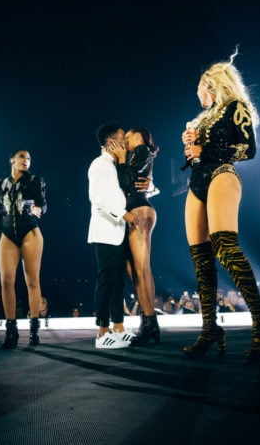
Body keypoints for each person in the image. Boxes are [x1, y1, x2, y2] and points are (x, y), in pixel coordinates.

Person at [180, 49, 260, 359]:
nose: (197, 96)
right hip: (197, 181)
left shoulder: (236, 107)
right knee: (201, 258)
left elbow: (248, 149)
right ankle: (210, 328)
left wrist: (204, 152)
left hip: (222, 174)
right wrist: (191, 149)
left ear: (209, 83)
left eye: (199, 88)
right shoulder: (202, 118)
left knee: (226, 248)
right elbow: (197, 154)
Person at [0, 149, 46, 349]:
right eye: (22, 157)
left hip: (30, 232)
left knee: (32, 281)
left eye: (29, 158)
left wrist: (37, 208)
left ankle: (34, 330)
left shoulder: (35, 181)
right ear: (12, 160)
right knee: (6, 280)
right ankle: (11, 331)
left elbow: (43, 204)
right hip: (7, 234)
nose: (27, 160)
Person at [87, 122, 139, 349]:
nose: (126, 143)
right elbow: (97, 198)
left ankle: (118, 327)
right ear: (111, 143)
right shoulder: (100, 164)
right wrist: (124, 214)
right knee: (107, 281)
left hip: (117, 232)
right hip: (106, 231)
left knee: (119, 282)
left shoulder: (114, 165)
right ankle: (102, 332)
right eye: (122, 138)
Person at [108, 127, 161, 346]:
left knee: (141, 268)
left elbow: (124, 181)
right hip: (133, 212)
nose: (124, 141)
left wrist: (121, 160)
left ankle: (150, 324)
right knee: (133, 270)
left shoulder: (141, 151)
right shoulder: (136, 155)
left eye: (127, 137)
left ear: (137, 136)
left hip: (139, 210)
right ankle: (148, 323)